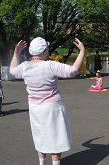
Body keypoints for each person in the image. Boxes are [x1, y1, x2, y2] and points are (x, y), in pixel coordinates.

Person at [9, 37, 85, 165]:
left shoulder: (25, 67)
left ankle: (42, 163)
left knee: (40, 136)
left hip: (35, 108)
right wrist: (82, 50)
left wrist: (16, 53)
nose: (48, 50)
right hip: (52, 107)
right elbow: (74, 71)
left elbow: (12, 71)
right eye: (47, 48)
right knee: (55, 138)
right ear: (44, 51)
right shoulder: (50, 65)